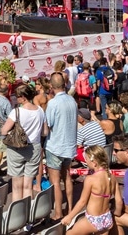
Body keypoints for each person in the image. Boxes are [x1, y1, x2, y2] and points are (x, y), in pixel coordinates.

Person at [0, 84, 46, 201]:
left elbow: (4, 130)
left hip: (17, 149)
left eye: (18, 96)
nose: (16, 98)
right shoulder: (40, 110)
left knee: (17, 187)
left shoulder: (16, 112)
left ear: (23, 97)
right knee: (28, 186)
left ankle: (17, 215)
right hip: (34, 148)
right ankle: (28, 213)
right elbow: (45, 132)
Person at [61, 145, 120, 234]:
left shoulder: (90, 179)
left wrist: (70, 217)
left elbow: (82, 202)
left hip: (93, 220)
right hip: (107, 219)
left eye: (87, 160)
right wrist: (117, 214)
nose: (86, 162)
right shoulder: (112, 177)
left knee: (69, 233)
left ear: (94, 162)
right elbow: (119, 201)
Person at [44, 72, 78, 221]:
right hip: (69, 145)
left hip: (55, 145)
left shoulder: (53, 103)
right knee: (67, 177)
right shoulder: (72, 100)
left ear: (51, 86)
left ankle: (58, 212)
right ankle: (70, 208)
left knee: (56, 182)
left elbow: (48, 125)